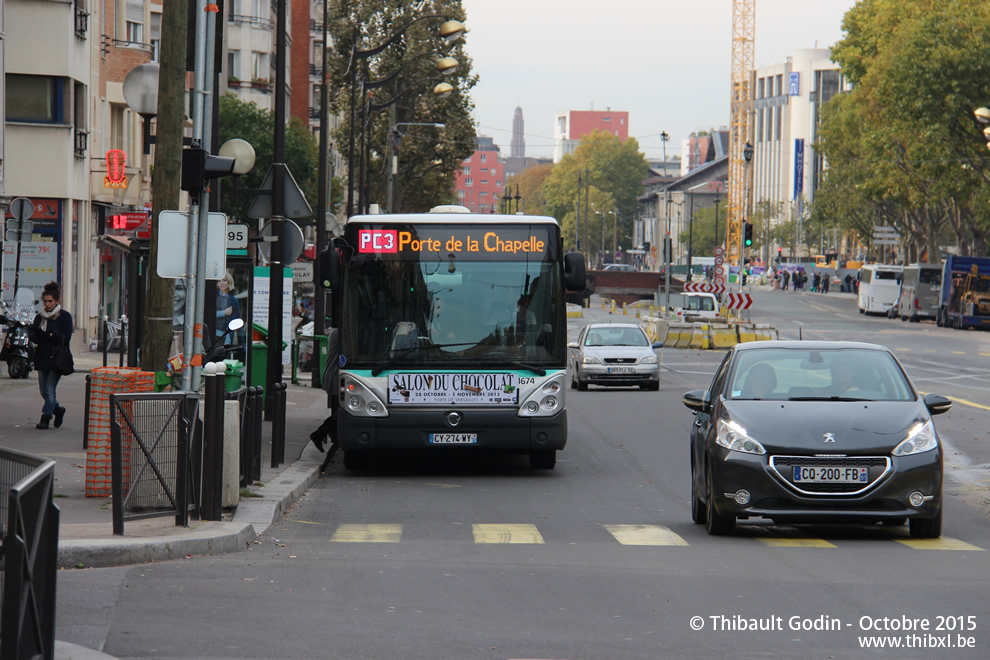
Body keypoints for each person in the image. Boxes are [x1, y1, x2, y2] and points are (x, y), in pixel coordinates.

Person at [29, 281, 74, 430]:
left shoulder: (65, 317)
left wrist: (50, 334)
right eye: (45, 301)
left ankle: (46, 416)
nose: (47, 304)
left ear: (56, 302)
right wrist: (33, 334)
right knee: (43, 390)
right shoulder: (40, 317)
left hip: (57, 358)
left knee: (49, 389)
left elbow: (65, 338)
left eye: (50, 302)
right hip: (42, 356)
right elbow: (35, 334)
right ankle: (58, 409)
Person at [310, 327, 340, 465]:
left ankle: (323, 435)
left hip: (335, 375)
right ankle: (320, 434)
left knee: (340, 413)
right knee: (342, 413)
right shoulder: (339, 332)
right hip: (335, 376)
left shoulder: (336, 331)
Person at [216, 272, 241, 343]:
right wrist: (223, 313)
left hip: (226, 336)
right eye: (219, 281)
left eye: (224, 280)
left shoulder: (234, 300)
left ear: (229, 282)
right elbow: (208, 315)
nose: (221, 283)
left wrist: (242, 345)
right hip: (213, 334)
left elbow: (237, 321)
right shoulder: (212, 297)